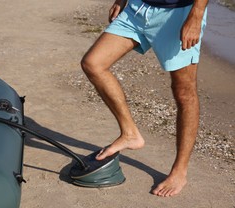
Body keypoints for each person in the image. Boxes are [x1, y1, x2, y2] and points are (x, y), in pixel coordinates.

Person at [81, 0, 208, 197]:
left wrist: (197, 14)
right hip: (139, 8)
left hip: (178, 13)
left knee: (184, 92)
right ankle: (130, 134)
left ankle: (179, 171)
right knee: (93, 63)